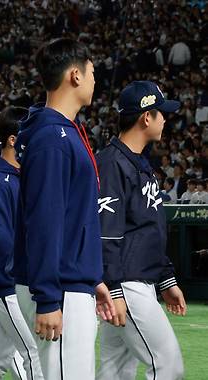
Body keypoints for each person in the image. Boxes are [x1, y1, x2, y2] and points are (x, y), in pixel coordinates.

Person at [13, 38, 114, 379]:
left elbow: (70, 217)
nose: (95, 80)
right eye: (92, 72)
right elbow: (44, 221)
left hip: (71, 282)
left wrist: (90, 276)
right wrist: (48, 298)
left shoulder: (61, 134)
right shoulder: (52, 138)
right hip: (60, 289)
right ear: (75, 75)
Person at [96, 81, 186, 380]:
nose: (165, 119)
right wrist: (115, 289)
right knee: (167, 365)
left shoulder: (139, 162)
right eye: (162, 113)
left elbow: (149, 228)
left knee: (115, 372)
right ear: (146, 116)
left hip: (135, 279)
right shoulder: (111, 163)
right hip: (126, 282)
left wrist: (165, 278)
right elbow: (105, 233)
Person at [0, 107, 43, 380]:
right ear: (13, 140)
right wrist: (15, 279)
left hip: (15, 282)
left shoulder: (20, 175)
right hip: (6, 284)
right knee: (33, 349)